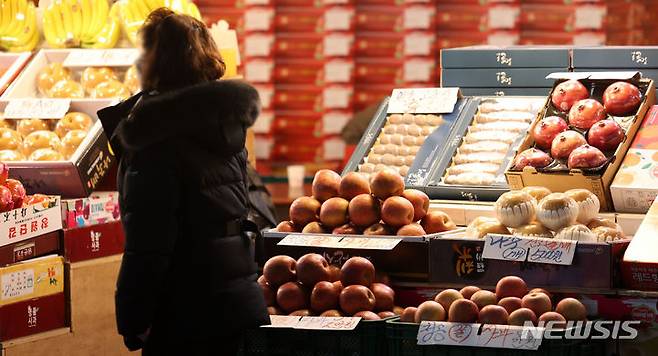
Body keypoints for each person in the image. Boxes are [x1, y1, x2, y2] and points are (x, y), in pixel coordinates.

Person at [98, 8, 268, 355]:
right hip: (236, 302)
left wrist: (134, 319)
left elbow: (149, 239)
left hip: (183, 313)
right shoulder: (225, 125)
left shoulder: (153, 136)